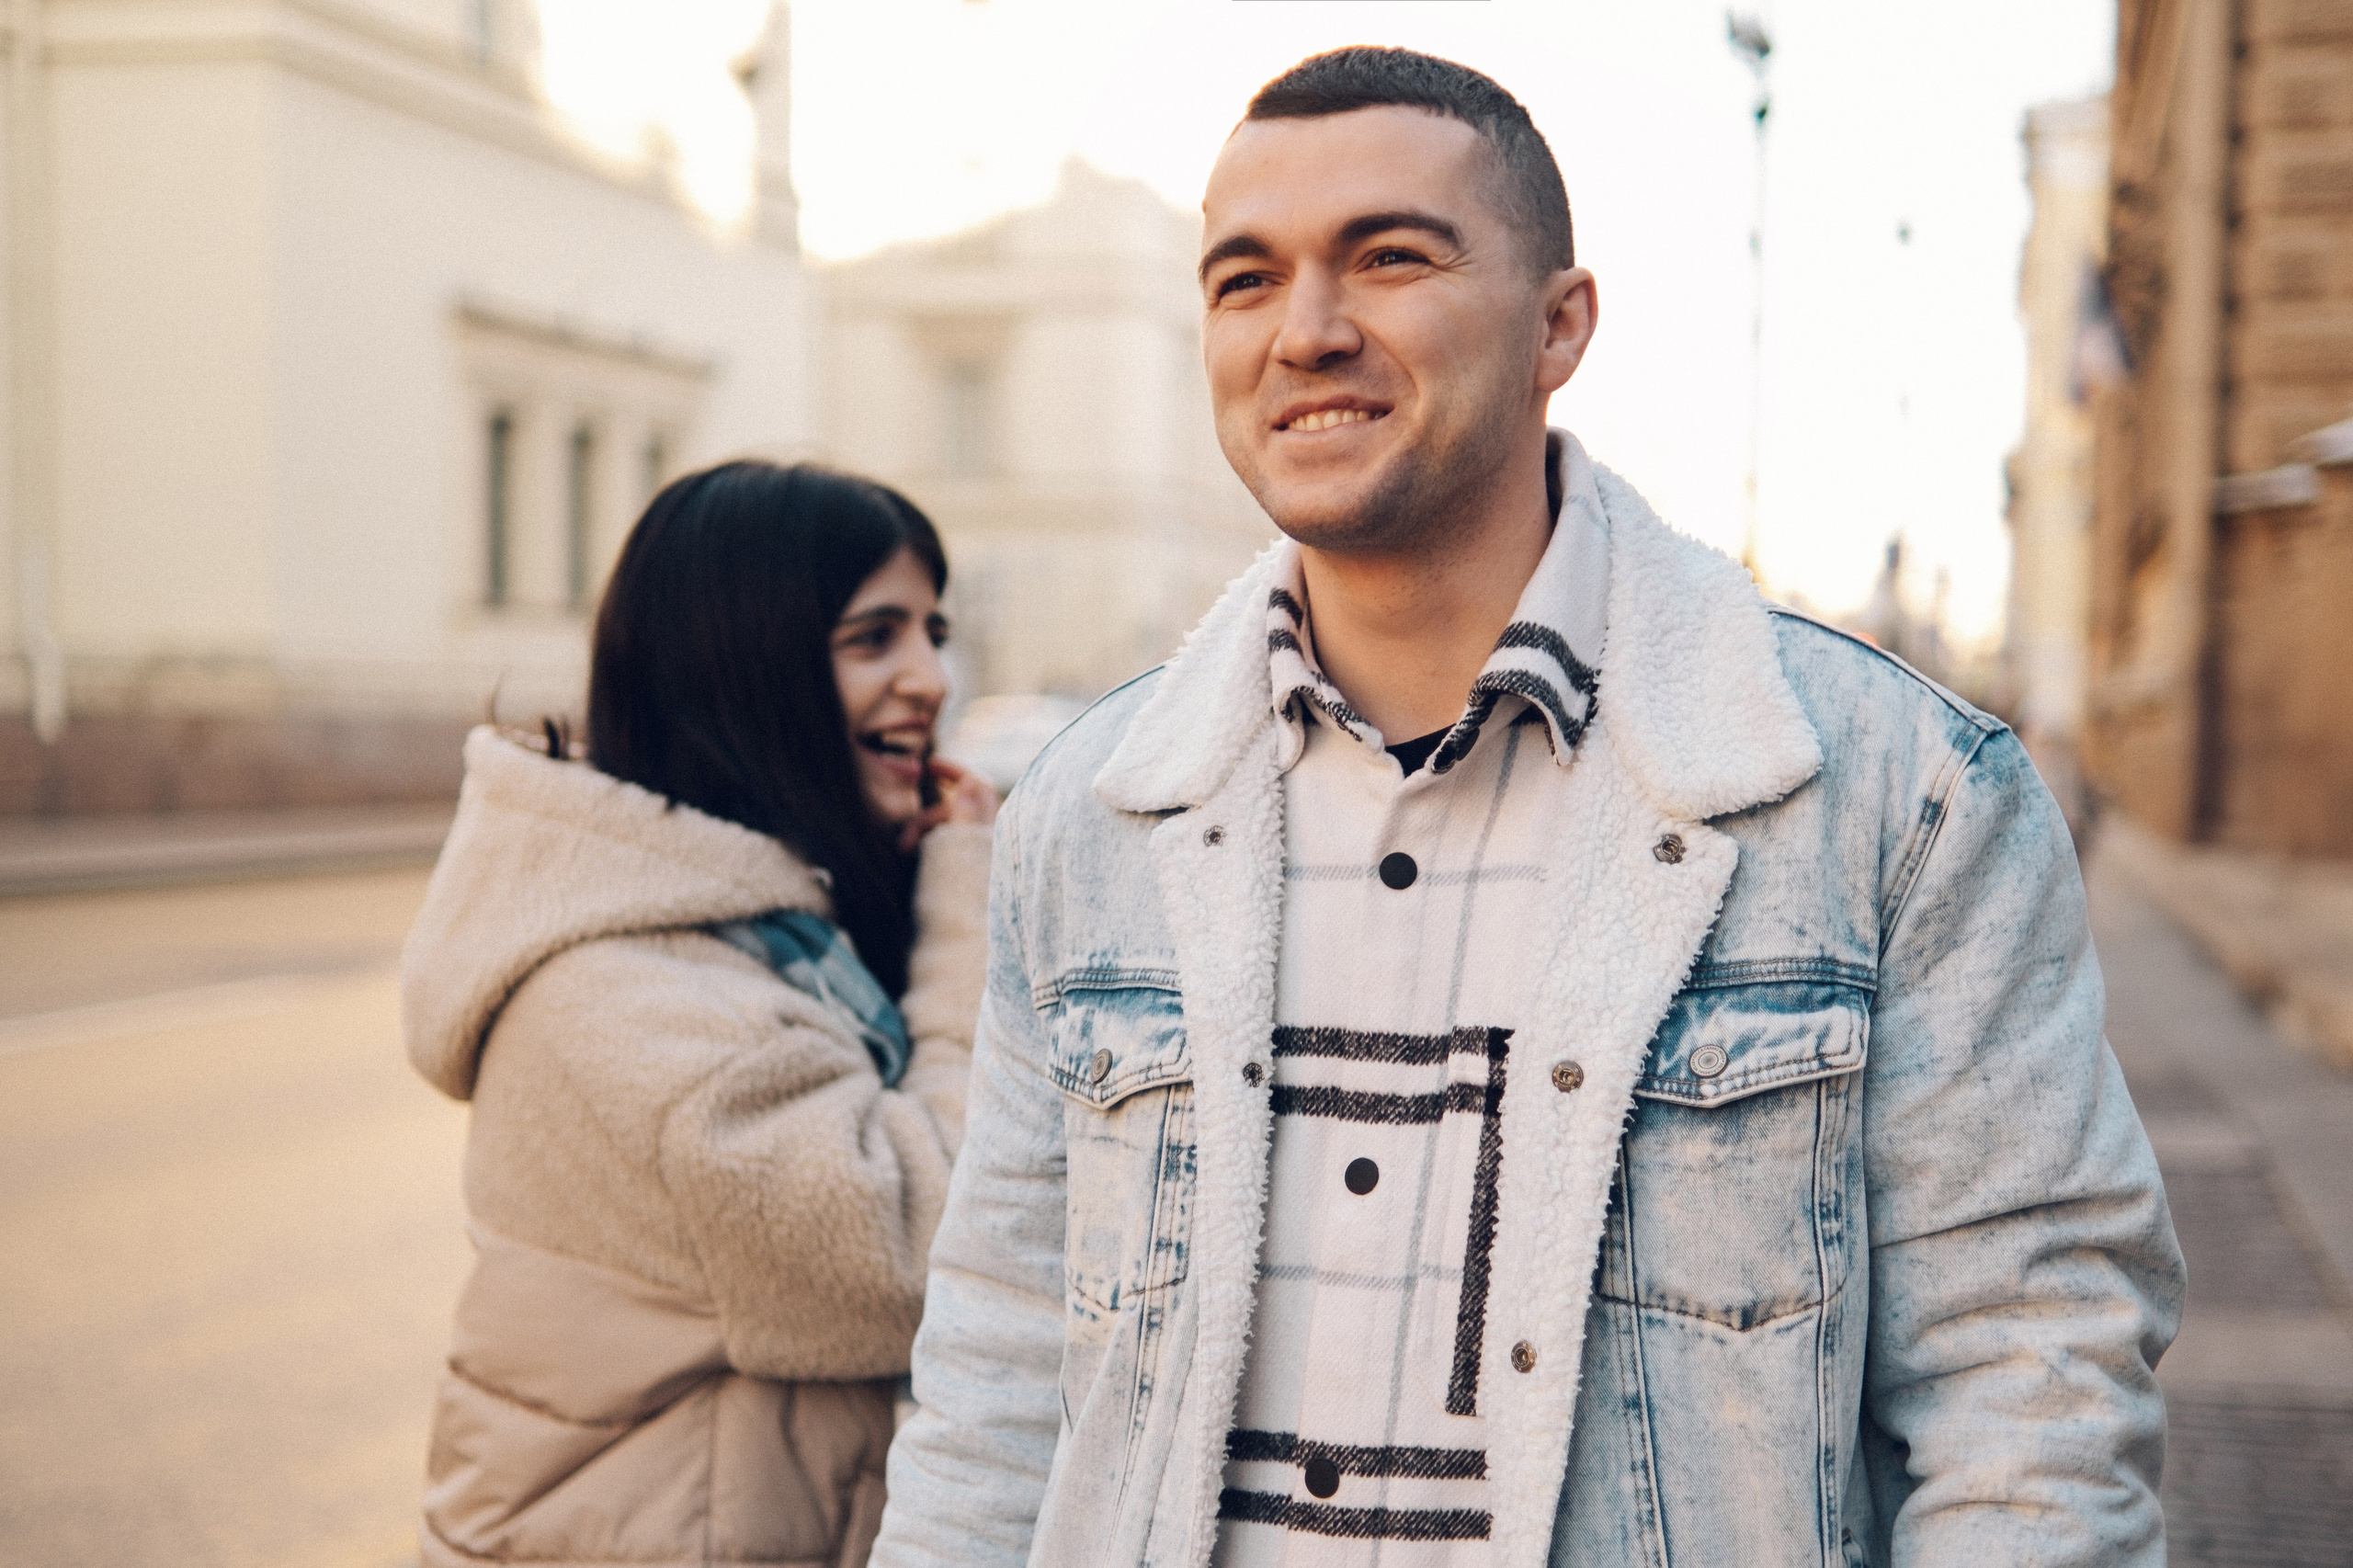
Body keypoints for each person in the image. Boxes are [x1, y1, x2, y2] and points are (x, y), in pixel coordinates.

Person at [871, 47, 2183, 1568]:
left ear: (1561, 324)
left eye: (1389, 258)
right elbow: (999, 1373)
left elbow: (2030, 1395)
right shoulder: (1094, 820)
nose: (1306, 331)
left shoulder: (1896, 797)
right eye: (1245, 280)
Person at [403, 460, 996, 1568]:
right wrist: (968, 907)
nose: (931, 677)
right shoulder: (642, 1004)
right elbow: (930, 1248)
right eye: (874, 638)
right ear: (743, 669)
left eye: (932, 629)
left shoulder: (736, 920)